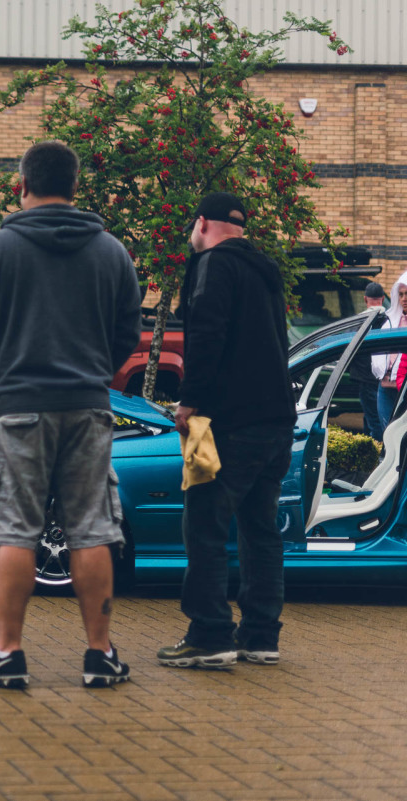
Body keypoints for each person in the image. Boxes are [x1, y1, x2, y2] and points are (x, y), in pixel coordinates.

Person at [0, 140, 141, 689]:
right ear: (75, 187)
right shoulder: (110, 252)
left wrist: (0, 381)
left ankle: (7, 654)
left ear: (21, 184)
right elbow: (130, 328)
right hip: (87, 407)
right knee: (92, 529)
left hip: (20, 408)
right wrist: (96, 370)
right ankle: (99, 656)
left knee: (13, 528)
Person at [158, 191, 296, 669]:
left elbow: (208, 336)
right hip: (276, 423)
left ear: (201, 223)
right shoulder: (265, 268)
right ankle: (260, 636)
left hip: (225, 423)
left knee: (204, 524)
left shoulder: (213, 266)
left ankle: (210, 633)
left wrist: (188, 402)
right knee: (261, 530)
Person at [353, 282, 386, 441]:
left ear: (365, 299)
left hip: (366, 380)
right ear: (383, 298)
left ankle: (379, 456)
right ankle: (368, 450)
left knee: (374, 422)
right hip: (386, 380)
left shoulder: (358, 322)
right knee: (374, 418)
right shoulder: (390, 320)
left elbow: (349, 349)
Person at [373, 276, 407, 433]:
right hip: (385, 387)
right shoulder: (391, 321)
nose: (404, 299)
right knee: (387, 433)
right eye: (400, 294)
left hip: (404, 388)